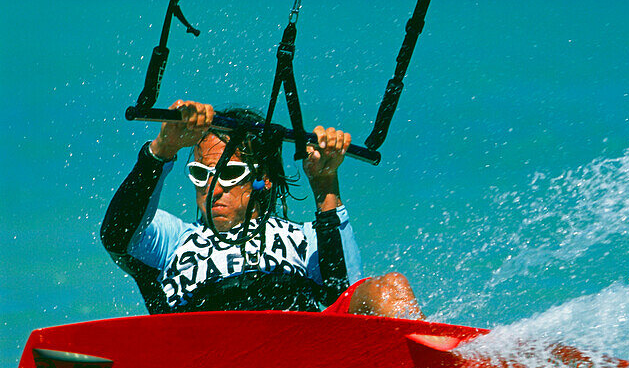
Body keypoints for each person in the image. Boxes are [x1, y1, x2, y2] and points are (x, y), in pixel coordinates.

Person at [101, 100, 422, 318]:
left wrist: (325, 185)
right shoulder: (174, 240)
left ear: (263, 179)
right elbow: (116, 235)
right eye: (201, 175)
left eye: (228, 174)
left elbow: (344, 292)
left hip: (297, 354)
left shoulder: (304, 239)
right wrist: (162, 150)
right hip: (203, 354)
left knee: (390, 289)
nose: (213, 190)